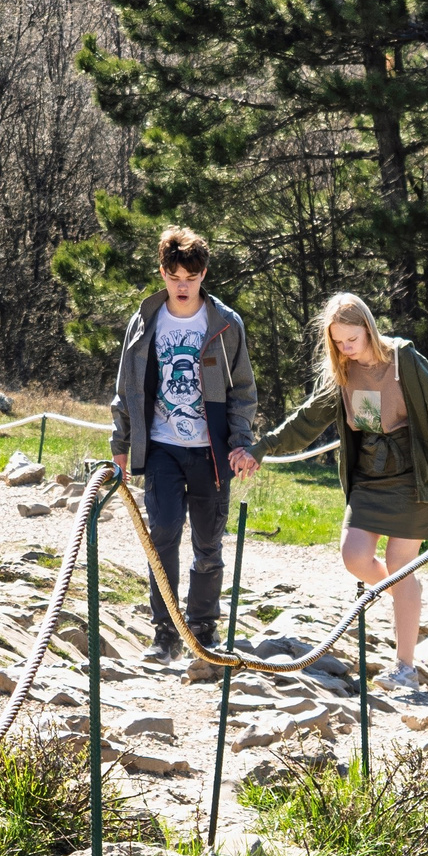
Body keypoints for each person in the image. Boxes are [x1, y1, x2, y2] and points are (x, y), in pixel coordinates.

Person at [259, 293, 428, 685]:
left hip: (412, 474)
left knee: (401, 567)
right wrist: (261, 447)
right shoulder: (342, 372)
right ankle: (408, 598)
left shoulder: (406, 361)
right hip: (369, 475)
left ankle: (405, 666)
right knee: (355, 557)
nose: (345, 348)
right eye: (338, 342)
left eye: (352, 340)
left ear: (369, 328)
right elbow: (305, 422)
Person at [108, 227, 260, 664]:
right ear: (163, 273)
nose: (181, 285)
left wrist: (239, 441)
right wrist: (121, 442)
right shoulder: (145, 321)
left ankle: (203, 630)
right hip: (160, 446)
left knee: (208, 545)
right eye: (174, 276)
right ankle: (165, 634)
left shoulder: (226, 324)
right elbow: (127, 388)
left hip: (210, 451)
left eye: (190, 278)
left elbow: (243, 390)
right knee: (163, 536)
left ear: (203, 275)